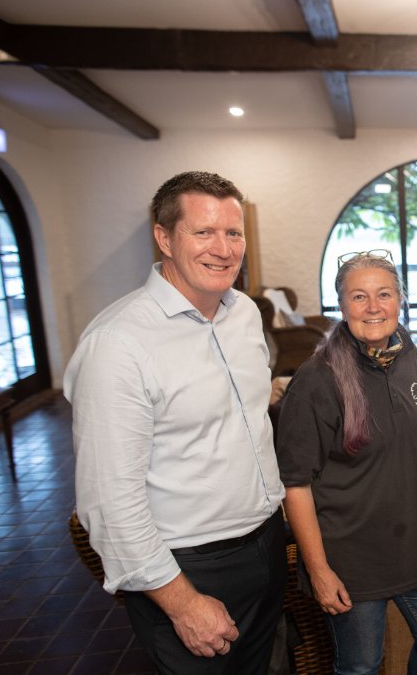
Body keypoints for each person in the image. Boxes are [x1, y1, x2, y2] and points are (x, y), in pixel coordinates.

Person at [64, 171, 287, 674]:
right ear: (164, 238)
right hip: (189, 566)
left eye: (233, 232)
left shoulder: (244, 313)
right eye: (203, 232)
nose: (224, 248)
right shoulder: (118, 345)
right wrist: (183, 602)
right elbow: (109, 503)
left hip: (266, 543)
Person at [275, 250, 417, 675]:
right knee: (361, 665)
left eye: (384, 294)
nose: (374, 307)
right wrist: (319, 570)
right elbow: (296, 484)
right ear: (341, 305)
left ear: (401, 299)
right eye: (359, 297)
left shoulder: (409, 354)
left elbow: (416, 436)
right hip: (351, 558)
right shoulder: (317, 380)